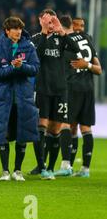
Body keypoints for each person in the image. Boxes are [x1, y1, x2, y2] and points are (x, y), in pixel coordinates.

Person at [29, 10, 80, 178]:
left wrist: (63, 32)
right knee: (41, 126)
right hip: (43, 89)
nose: (50, 25)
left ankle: (50, 167)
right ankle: (42, 166)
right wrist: (44, 32)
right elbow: (37, 55)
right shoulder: (36, 38)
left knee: (55, 129)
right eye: (47, 21)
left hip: (60, 89)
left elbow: (76, 48)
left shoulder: (61, 38)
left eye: (52, 21)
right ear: (40, 21)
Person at [0, 17, 40, 181]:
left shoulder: (29, 48)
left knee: (22, 133)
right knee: (3, 133)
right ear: (7, 31)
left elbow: (35, 69)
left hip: (23, 97)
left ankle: (17, 171)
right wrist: (13, 68)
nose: (18, 31)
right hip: (4, 97)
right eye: (15, 29)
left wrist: (22, 66)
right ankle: (5, 171)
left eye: (20, 28)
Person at [60, 15, 102, 178]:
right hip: (88, 88)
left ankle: (66, 165)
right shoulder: (88, 39)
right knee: (83, 127)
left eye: (82, 26)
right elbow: (98, 69)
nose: (80, 29)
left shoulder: (66, 40)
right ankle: (85, 169)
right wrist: (89, 65)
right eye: (79, 25)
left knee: (65, 124)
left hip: (72, 87)